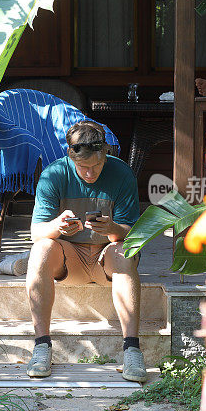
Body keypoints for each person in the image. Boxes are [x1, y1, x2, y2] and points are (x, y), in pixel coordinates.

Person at [25, 120, 146, 383]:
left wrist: (111, 227)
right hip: (70, 259)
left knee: (125, 251)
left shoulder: (122, 174)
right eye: (83, 167)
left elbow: (135, 236)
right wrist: (58, 226)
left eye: (96, 166)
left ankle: (132, 349)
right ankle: (42, 346)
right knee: (41, 249)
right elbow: (36, 234)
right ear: (70, 156)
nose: (90, 173)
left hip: (108, 256)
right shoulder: (53, 175)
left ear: (106, 154)